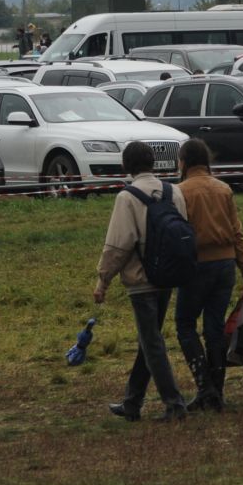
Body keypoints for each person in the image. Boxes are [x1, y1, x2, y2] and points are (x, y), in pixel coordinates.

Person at [94, 142, 190, 421]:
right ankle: (132, 402)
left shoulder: (127, 197)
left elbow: (118, 246)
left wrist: (103, 280)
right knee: (149, 341)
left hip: (141, 280)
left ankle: (175, 404)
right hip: (169, 276)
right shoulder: (175, 192)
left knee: (152, 343)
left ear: (127, 165)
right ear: (153, 163)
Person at [172, 139, 243, 412]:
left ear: (183, 162)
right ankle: (217, 391)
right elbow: (237, 233)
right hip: (225, 265)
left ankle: (204, 386)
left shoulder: (179, 192)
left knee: (185, 324)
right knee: (214, 327)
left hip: (196, 266)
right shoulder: (224, 189)